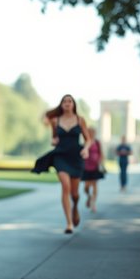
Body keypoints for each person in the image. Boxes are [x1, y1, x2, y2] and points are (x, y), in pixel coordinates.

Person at [32, 94, 91, 234]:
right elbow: (54, 137)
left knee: (75, 194)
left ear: (73, 104)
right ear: (61, 104)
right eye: (64, 101)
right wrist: (53, 140)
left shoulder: (80, 120)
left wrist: (86, 149)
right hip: (61, 156)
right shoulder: (55, 121)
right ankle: (69, 223)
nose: (67, 103)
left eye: (70, 101)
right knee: (65, 186)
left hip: (76, 157)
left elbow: (88, 139)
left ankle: (75, 206)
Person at [82, 127, 105, 213]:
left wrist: (101, 162)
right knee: (86, 187)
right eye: (90, 132)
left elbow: (101, 153)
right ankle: (89, 197)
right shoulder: (85, 143)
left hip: (95, 167)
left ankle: (93, 204)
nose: (91, 134)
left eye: (93, 132)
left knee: (95, 185)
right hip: (86, 168)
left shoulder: (97, 143)